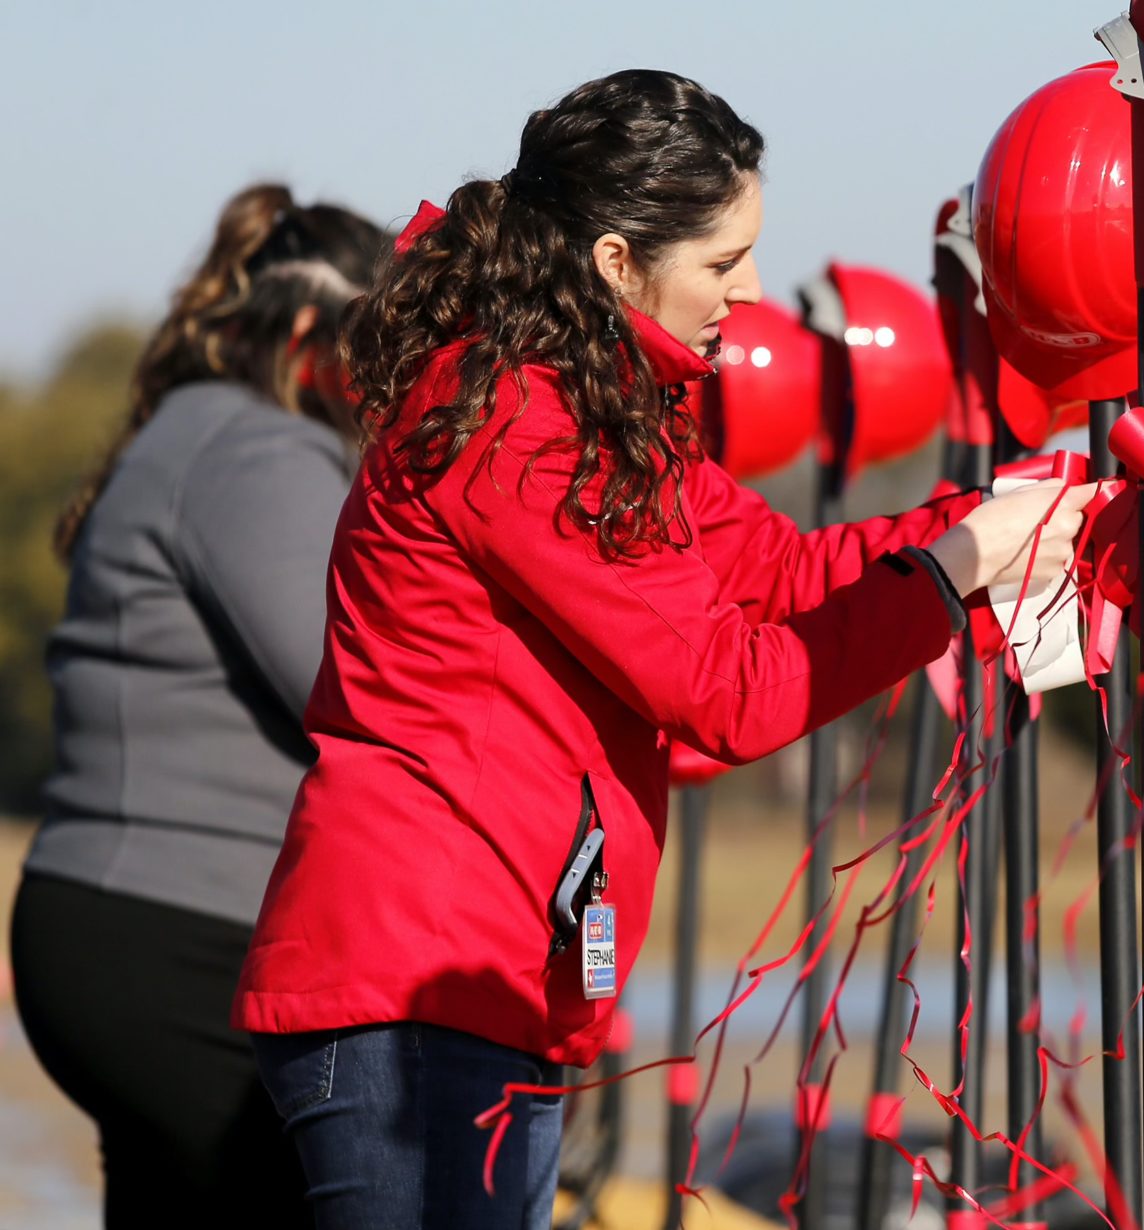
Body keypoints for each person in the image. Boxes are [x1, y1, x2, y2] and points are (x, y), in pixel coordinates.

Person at [231, 69, 1094, 1230]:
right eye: (722, 261)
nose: (749, 293)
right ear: (616, 262)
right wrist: (946, 577)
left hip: (495, 982)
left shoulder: (593, 413)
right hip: (415, 987)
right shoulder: (516, 425)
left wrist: (998, 528)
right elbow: (728, 693)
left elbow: (781, 571)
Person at [12, 183, 386, 1227]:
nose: (391, 388)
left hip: (120, 928)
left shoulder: (198, 429)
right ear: (307, 334)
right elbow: (353, 682)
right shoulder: (257, 449)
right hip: (175, 939)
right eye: (376, 351)